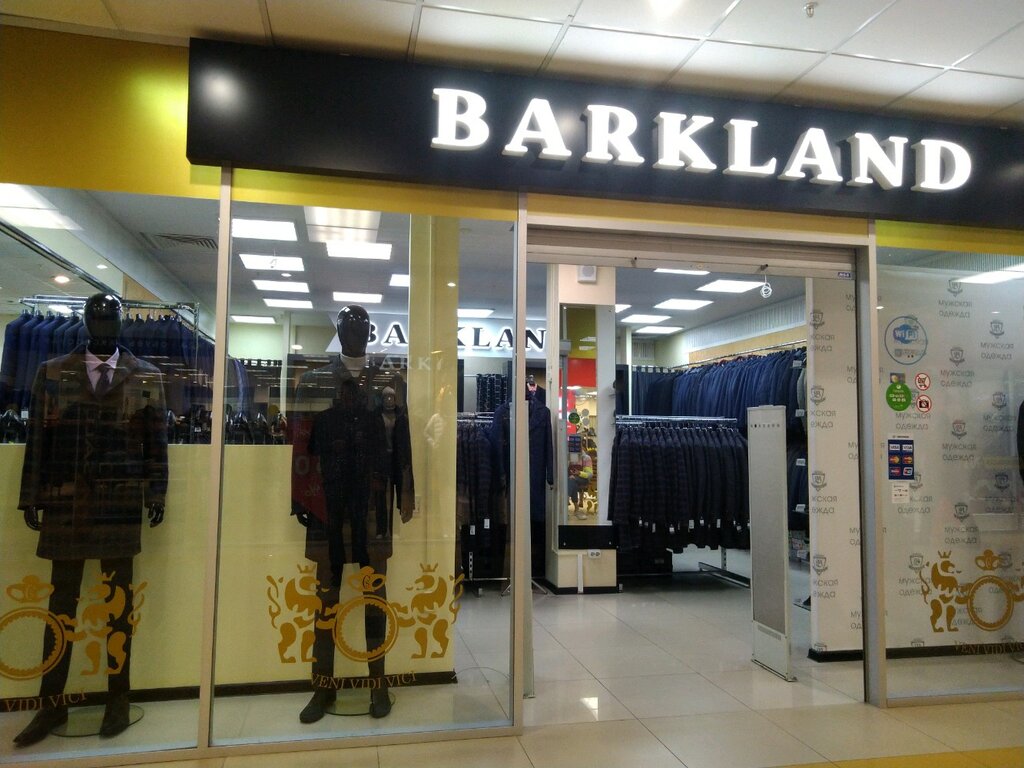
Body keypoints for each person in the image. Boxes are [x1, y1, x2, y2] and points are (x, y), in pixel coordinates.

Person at [14, 293, 168, 747]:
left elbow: (155, 442)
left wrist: (157, 492)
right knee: (60, 605)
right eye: (96, 316)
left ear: (121, 322)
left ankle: (118, 698)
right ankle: (50, 703)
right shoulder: (52, 372)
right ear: (85, 321)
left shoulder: (145, 375)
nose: (103, 323)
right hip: (67, 500)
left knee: (118, 606)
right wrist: (31, 495)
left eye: (110, 316)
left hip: (120, 501)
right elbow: (37, 438)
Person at [289, 305, 413, 723]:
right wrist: (301, 500)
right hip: (327, 504)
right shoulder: (316, 382)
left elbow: (402, 443)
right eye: (347, 325)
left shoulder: (390, 382)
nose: (355, 332)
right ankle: (322, 687)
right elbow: (302, 447)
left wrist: (405, 495)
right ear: (338, 331)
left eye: (362, 326)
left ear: (370, 332)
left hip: (374, 506)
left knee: (375, 596)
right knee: (326, 598)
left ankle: (379, 684)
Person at [567, 449, 593, 514]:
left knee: (572, 480)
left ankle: (566, 499)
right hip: (571, 478)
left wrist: (579, 473)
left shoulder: (586, 458)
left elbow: (589, 475)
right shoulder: (568, 456)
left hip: (583, 479)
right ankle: (576, 508)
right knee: (573, 482)